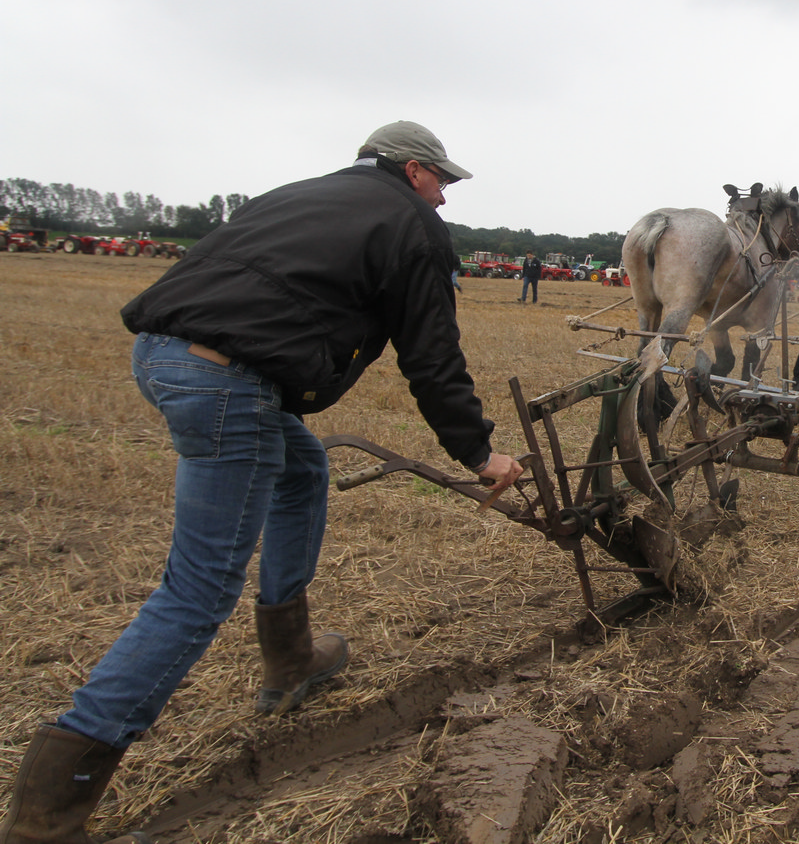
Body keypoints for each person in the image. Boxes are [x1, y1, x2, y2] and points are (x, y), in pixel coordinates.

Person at [0, 121, 527, 844]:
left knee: (302, 466)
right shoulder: (413, 224)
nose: (443, 197)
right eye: (442, 181)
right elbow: (430, 355)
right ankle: (48, 814)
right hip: (228, 381)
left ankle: (291, 656)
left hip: (161, 355)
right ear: (412, 171)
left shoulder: (300, 195)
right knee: (198, 590)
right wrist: (478, 452)